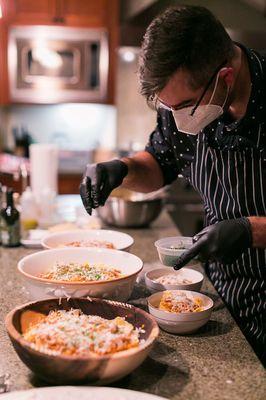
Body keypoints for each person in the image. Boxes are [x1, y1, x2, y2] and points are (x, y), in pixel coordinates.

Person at [80, 6, 266, 364]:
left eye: (181, 106)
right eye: (166, 107)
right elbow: (160, 164)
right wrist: (122, 169)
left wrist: (250, 231)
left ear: (225, 77)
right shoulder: (187, 99)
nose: (174, 115)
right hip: (222, 293)